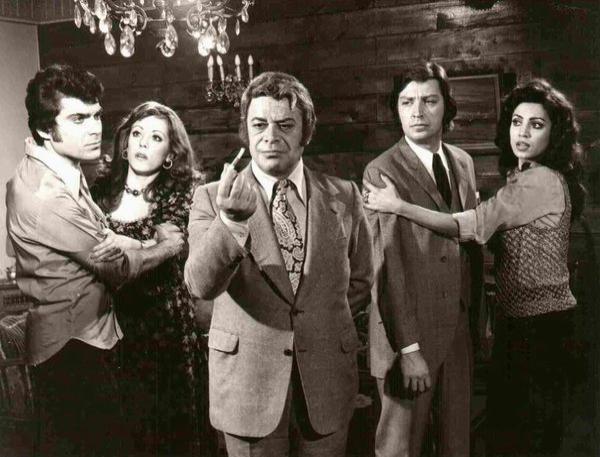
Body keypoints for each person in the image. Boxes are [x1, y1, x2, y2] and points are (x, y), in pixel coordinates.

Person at [363, 78, 585, 456]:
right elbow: (390, 264)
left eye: (536, 125)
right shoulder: (383, 169)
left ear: (555, 134)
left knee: (523, 440)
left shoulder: (537, 180)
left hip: (538, 331)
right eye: (516, 122)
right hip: (511, 327)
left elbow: (471, 227)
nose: (522, 133)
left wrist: (398, 206)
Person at [184, 71, 374, 457]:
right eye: (259, 124)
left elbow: (360, 281)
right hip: (247, 390)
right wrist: (231, 222)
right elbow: (200, 285)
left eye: (285, 125)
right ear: (246, 131)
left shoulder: (344, 196)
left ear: (306, 132)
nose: (270, 136)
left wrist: (316, 322)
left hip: (326, 385)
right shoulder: (211, 198)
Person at [5, 64, 184, 457]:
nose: (94, 129)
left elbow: (106, 240)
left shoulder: (64, 171)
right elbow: (116, 268)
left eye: (96, 116)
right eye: (78, 119)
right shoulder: (45, 192)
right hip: (69, 351)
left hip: (88, 342)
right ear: (45, 129)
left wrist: (127, 244)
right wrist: (166, 246)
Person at [362, 61, 483, 457]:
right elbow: (387, 266)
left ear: (446, 107)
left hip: (459, 328)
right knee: (401, 449)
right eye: (406, 102)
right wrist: (409, 348)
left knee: (455, 445)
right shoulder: (381, 170)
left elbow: (469, 241)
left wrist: (477, 321)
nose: (417, 112)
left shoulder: (462, 161)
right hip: (408, 335)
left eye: (429, 101)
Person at [91, 101, 214, 457]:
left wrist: (122, 242)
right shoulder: (99, 192)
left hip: (167, 329)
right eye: (137, 134)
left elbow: (174, 245)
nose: (143, 143)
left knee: (171, 435)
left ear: (170, 154)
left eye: (156, 137)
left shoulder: (181, 193)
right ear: (125, 143)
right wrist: (146, 244)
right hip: (113, 325)